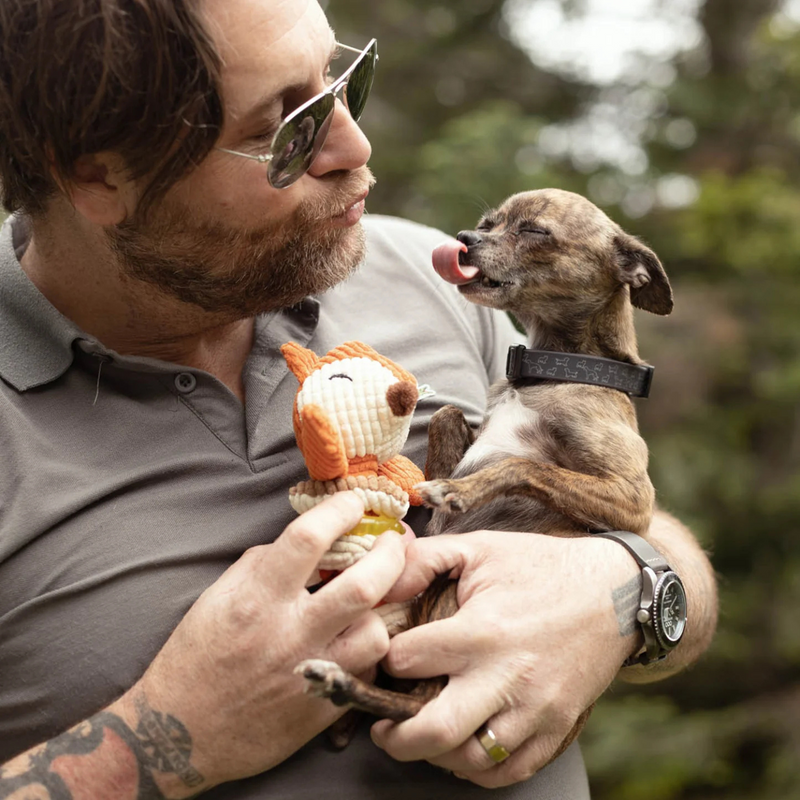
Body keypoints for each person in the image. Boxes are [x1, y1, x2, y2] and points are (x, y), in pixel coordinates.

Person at [0, 0, 718, 798]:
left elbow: (646, 530)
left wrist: (621, 593)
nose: (355, 144)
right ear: (99, 174)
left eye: (346, 79)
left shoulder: (421, 274)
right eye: (290, 128)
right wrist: (174, 731)